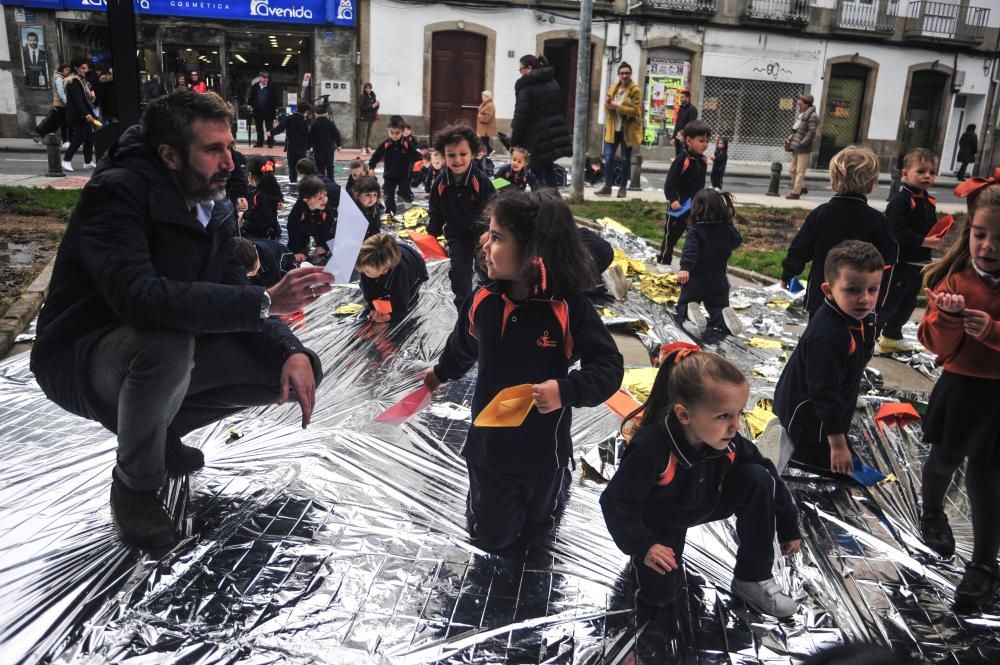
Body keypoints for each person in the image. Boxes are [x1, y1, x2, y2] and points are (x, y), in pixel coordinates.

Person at [29, 90, 332, 548]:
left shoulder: (213, 203)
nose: (230, 162)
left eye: (230, 147)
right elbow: (140, 300)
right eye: (213, 150)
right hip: (82, 355)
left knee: (290, 369)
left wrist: (291, 349)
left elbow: (236, 292)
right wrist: (266, 301)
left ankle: (159, 433)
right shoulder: (115, 194)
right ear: (170, 155)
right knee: (165, 345)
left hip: (163, 344)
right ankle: (134, 487)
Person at [423, 190, 624, 551]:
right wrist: (441, 372)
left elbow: (608, 366)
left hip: (546, 451)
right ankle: (482, 510)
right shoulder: (483, 302)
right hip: (491, 451)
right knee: (494, 538)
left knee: (539, 527)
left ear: (534, 250)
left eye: (498, 237)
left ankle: (559, 485)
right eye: (488, 232)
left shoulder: (567, 308)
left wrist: (566, 390)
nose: (484, 243)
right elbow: (463, 344)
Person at [601, 348, 801, 617]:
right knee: (660, 598)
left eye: (738, 413)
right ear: (684, 415)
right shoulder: (650, 448)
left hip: (706, 499)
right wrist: (644, 545)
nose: (736, 427)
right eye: (723, 416)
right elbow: (616, 502)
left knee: (758, 477)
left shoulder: (729, 441)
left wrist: (788, 525)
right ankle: (648, 562)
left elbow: (768, 474)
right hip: (662, 521)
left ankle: (752, 578)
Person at [918, 172, 1000, 614]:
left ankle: (985, 562)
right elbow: (935, 345)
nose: (987, 246)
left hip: (998, 397)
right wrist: (947, 321)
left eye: (999, 238)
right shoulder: (955, 281)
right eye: (980, 235)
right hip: (961, 388)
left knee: (987, 479)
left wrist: (993, 332)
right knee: (942, 460)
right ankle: (932, 514)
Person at [773, 240, 884, 476]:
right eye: (853, 290)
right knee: (835, 469)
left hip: (834, 399)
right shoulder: (828, 336)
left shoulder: (860, 315)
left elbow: (852, 363)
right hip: (807, 414)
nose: (865, 298)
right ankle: (787, 445)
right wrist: (838, 444)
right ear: (828, 290)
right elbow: (824, 393)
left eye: (872, 289)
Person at [780, 146, 897, 316]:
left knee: (819, 337)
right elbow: (889, 258)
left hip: (822, 296)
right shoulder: (877, 220)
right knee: (855, 340)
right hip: (860, 301)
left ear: (833, 182)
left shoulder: (821, 214)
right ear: (871, 185)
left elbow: (800, 248)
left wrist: (788, 274)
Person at [878, 148, 941, 354]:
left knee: (908, 302)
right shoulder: (901, 201)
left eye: (931, 172)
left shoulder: (928, 201)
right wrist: (924, 241)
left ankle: (891, 335)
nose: (927, 176)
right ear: (905, 173)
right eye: (921, 171)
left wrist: (936, 236)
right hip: (900, 261)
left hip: (918, 262)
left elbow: (930, 226)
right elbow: (896, 230)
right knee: (890, 301)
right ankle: (872, 335)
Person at [427, 124, 496, 309]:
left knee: (489, 273)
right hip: (457, 237)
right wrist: (431, 234)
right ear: (443, 156)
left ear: (472, 154)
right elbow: (435, 211)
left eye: (463, 154)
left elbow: (493, 208)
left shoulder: (481, 181)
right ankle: (463, 313)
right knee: (459, 275)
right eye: (451, 155)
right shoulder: (439, 183)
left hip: (483, 237)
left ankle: (491, 306)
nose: (457, 160)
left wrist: (490, 231)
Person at [675, 189, 744, 336]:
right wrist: (729, 224)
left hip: (696, 280)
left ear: (697, 208)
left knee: (684, 304)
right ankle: (724, 319)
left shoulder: (696, 231)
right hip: (719, 280)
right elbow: (737, 241)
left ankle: (689, 312)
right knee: (717, 307)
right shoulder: (726, 230)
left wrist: (685, 268)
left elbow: (690, 251)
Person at [510, 55, 572, 188]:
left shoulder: (526, 87)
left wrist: (514, 141)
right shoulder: (552, 82)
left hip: (535, 138)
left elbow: (521, 116)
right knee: (548, 170)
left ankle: (542, 204)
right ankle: (554, 202)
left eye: (521, 69)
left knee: (536, 175)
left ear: (529, 68)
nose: (520, 73)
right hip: (551, 134)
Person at [659, 119, 710, 266]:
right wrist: (673, 199)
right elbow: (669, 184)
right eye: (701, 141)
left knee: (695, 237)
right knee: (671, 237)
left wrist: (703, 202)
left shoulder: (703, 161)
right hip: (679, 208)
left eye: (707, 141)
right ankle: (664, 261)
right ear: (688, 140)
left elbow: (700, 186)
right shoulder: (682, 160)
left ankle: (690, 265)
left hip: (695, 208)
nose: (705, 144)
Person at [356, 233, 429, 323]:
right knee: (372, 284)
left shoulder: (401, 275)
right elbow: (368, 290)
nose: (363, 272)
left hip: (415, 266)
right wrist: (373, 307)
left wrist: (389, 316)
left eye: (367, 271)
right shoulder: (367, 266)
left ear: (384, 271)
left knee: (406, 299)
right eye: (362, 270)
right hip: (388, 256)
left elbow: (401, 306)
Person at [595, 62, 642, 199]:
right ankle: (607, 186)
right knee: (608, 157)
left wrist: (617, 107)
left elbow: (635, 111)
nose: (624, 75)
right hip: (612, 129)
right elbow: (607, 109)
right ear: (618, 74)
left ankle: (622, 188)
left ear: (630, 74)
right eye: (622, 73)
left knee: (625, 160)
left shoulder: (635, 90)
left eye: (627, 73)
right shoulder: (613, 88)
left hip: (627, 130)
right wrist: (607, 106)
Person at [369, 115, 418, 215]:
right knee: (388, 194)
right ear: (388, 130)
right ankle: (390, 212)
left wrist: (417, 167)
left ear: (403, 131)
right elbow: (377, 155)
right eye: (392, 133)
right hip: (389, 175)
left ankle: (409, 199)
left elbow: (416, 155)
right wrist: (371, 167)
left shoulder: (407, 143)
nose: (394, 135)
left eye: (397, 133)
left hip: (404, 175)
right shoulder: (386, 144)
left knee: (404, 193)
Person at [286, 175, 335, 264]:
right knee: (299, 241)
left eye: (325, 195)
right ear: (306, 200)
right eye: (319, 198)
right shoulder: (298, 211)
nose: (325, 200)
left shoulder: (326, 211)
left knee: (327, 237)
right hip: (303, 228)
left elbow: (327, 229)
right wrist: (297, 251)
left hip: (319, 226)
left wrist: (322, 245)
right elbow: (292, 230)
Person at [62, 57, 97, 173]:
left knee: (89, 138)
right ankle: (66, 160)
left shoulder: (81, 80)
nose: (85, 70)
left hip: (82, 114)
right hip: (76, 115)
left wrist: (91, 98)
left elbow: (85, 100)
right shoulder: (73, 81)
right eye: (82, 68)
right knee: (80, 137)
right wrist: (87, 114)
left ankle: (87, 162)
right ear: (76, 68)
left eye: (86, 68)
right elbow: (78, 101)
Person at [267, 99, 311, 184]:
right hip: (302, 148)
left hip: (291, 147)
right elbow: (307, 136)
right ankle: (306, 182)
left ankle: (293, 181)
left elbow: (280, 127)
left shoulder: (290, 118)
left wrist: (271, 132)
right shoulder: (304, 121)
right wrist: (308, 147)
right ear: (305, 111)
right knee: (304, 166)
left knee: (292, 166)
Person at [785, 93, 818, 200]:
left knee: (800, 171)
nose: (799, 106)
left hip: (804, 148)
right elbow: (796, 130)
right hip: (796, 146)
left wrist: (802, 143)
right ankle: (802, 187)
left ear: (807, 104)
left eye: (801, 104)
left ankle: (796, 193)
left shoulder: (812, 116)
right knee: (791, 170)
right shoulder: (801, 115)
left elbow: (811, 132)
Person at [241, 156, 282, 241]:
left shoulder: (259, 195)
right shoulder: (272, 186)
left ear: (249, 175)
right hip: (273, 230)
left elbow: (261, 219)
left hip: (259, 235)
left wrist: (244, 214)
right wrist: (280, 201)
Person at [32, 63, 71, 144]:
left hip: (60, 105)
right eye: (66, 69)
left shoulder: (61, 78)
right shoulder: (59, 78)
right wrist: (67, 102)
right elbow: (60, 92)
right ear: (62, 69)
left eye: (69, 70)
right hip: (60, 105)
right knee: (61, 123)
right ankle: (65, 141)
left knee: (55, 123)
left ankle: (41, 136)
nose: (68, 71)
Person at [247, 72, 280, 149]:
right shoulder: (255, 86)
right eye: (264, 78)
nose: (266, 79)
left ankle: (270, 142)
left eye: (267, 78)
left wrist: (274, 108)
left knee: (269, 128)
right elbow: (251, 97)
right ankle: (259, 142)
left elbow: (276, 99)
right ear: (260, 78)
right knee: (259, 128)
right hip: (258, 111)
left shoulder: (272, 87)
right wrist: (249, 104)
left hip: (269, 111)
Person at [309, 102, 341, 179]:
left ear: (316, 114)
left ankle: (321, 180)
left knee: (320, 166)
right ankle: (331, 180)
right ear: (326, 114)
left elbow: (311, 137)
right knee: (330, 165)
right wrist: (339, 144)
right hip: (329, 148)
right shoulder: (330, 123)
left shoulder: (314, 124)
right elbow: (336, 134)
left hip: (318, 149)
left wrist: (310, 146)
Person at [672, 90, 698, 157]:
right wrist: (674, 137)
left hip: (685, 138)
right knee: (678, 156)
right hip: (678, 138)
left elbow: (691, 125)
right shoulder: (681, 108)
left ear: (688, 98)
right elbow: (677, 123)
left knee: (684, 156)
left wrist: (683, 135)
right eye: (680, 97)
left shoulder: (692, 109)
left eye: (682, 97)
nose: (681, 99)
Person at [359, 82, 379, 155]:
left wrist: (377, 105)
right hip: (364, 117)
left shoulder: (373, 96)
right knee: (364, 133)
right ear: (364, 88)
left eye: (369, 88)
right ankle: (363, 148)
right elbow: (361, 107)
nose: (368, 89)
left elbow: (375, 107)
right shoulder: (362, 96)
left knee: (369, 133)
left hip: (372, 117)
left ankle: (367, 146)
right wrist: (372, 106)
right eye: (367, 88)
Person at [477, 90, 496, 156]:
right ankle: (488, 152)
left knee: (484, 141)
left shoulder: (489, 105)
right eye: (482, 96)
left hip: (486, 127)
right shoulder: (485, 104)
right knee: (484, 141)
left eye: (484, 96)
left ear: (488, 97)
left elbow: (489, 116)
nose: (482, 97)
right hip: (484, 127)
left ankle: (489, 151)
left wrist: (480, 116)